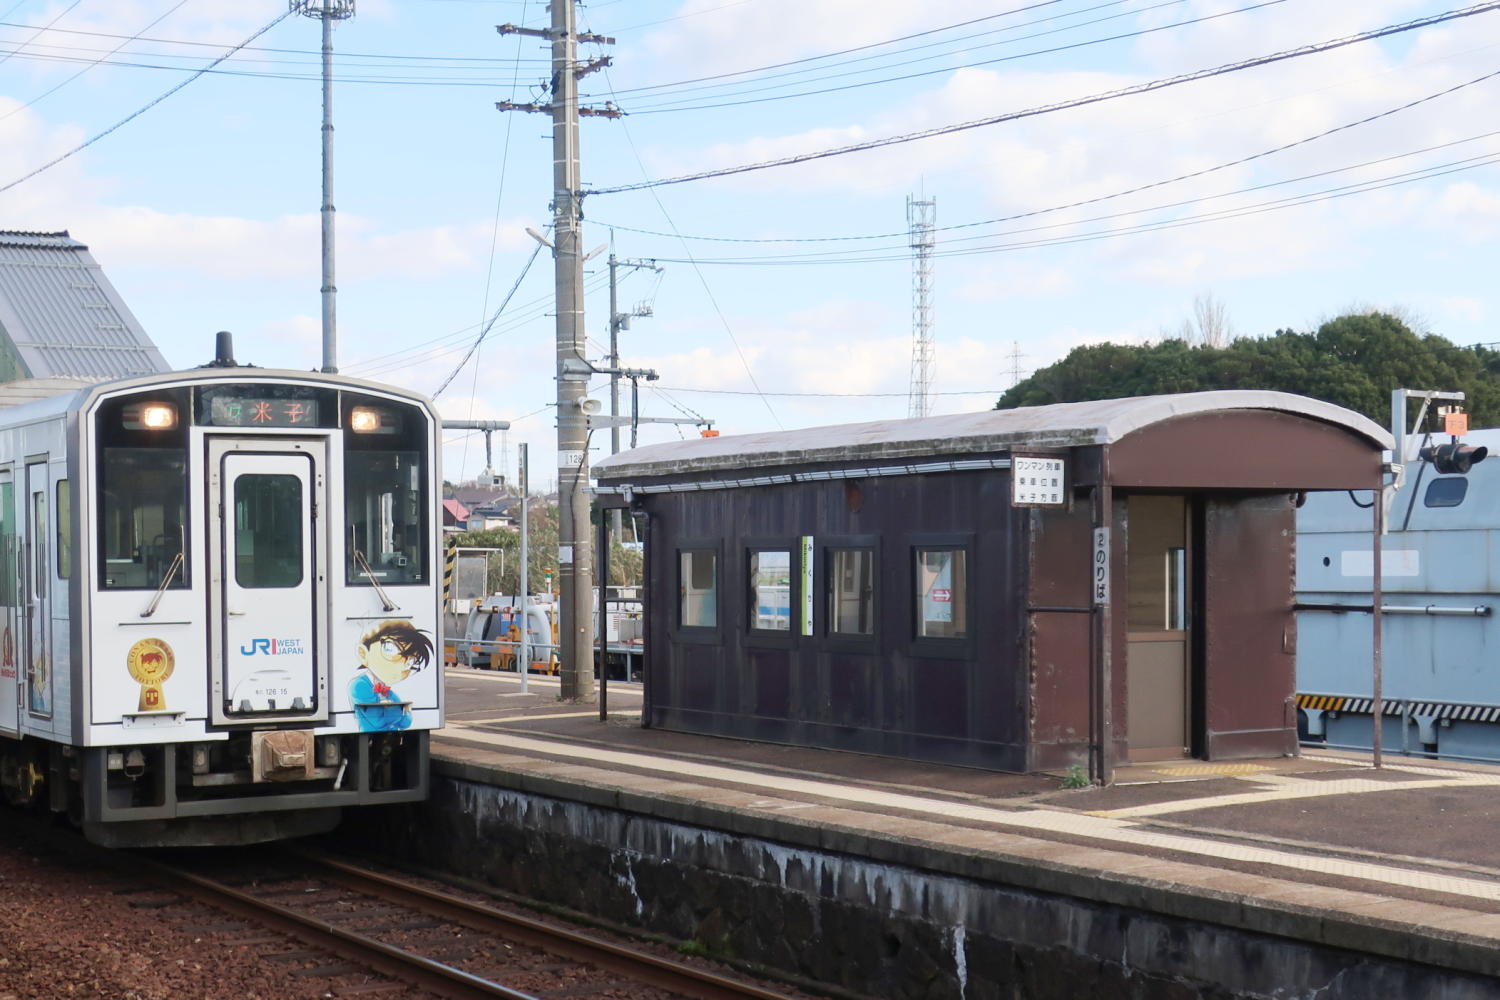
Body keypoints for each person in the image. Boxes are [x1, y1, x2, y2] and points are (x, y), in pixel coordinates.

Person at [350, 619, 432, 731]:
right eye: (390, 649)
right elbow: (377, 720)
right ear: (363, 653)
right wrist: (397, 710)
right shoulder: (359, 685)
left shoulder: (386, 690)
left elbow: (407, 722)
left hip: (391, 738)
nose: (402, 666)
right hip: (369, 738)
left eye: (411, 662)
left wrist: (391, 710)